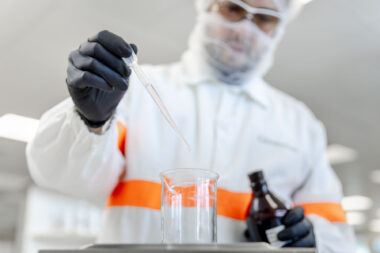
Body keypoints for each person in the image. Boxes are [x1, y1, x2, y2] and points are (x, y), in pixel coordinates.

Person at [26, 0, 355, 251]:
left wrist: (313, 239)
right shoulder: (135, 90)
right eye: (234, 8)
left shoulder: (299, 124)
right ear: (208, 6)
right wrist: (92, 121)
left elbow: (338, 235)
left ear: (279, 28)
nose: (246, 28)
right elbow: (58, 176)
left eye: (265, 18)